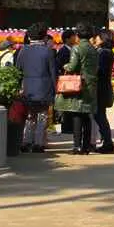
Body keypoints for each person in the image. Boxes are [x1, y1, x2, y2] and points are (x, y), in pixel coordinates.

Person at [55, 24, 100, 154]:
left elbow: (73, 66)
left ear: (78, 35)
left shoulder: (77, 48)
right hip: (91, 84)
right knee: (87, 116)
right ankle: (86, 146)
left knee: (77, 115)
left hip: (79, 85)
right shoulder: (93, 49)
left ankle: (77, 145)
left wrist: (65, 65)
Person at [14, 24, 58, 154]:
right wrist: (56, 90)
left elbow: (18, 71)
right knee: (42, 116)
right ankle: (38, 143)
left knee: (30, 116)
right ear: (44, 36)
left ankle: (26, 141)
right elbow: (53, 73)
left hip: (27, 87)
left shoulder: (23, 50)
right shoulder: (48, 51)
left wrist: (18, 87)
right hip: (44, 88)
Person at [91, 27, 114, 154]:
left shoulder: (103, 53)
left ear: (102, 39)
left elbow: (98, 71)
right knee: (101, 115)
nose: (95, 39)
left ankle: (108, 143)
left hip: (100, 88)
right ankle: (107, 141)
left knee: (99, 115)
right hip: (104, 87)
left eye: (97, 37)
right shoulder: (107, 52)